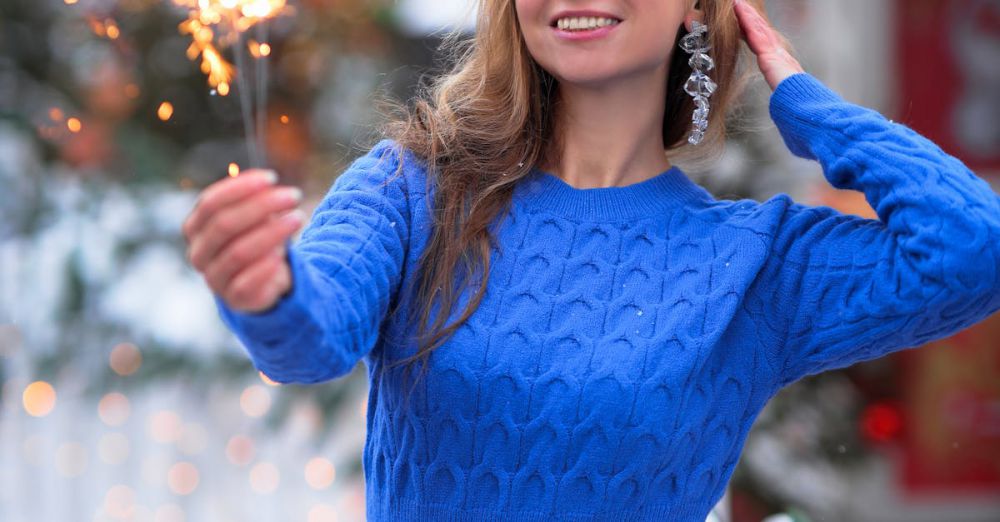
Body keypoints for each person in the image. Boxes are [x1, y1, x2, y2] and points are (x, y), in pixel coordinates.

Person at [182, 0, 1000, 520]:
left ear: (697, 7)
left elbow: (975, 249)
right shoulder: (414, 186)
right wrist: (266, 293)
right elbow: (307, 340)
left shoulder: (756, 263)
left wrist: (805, 102)